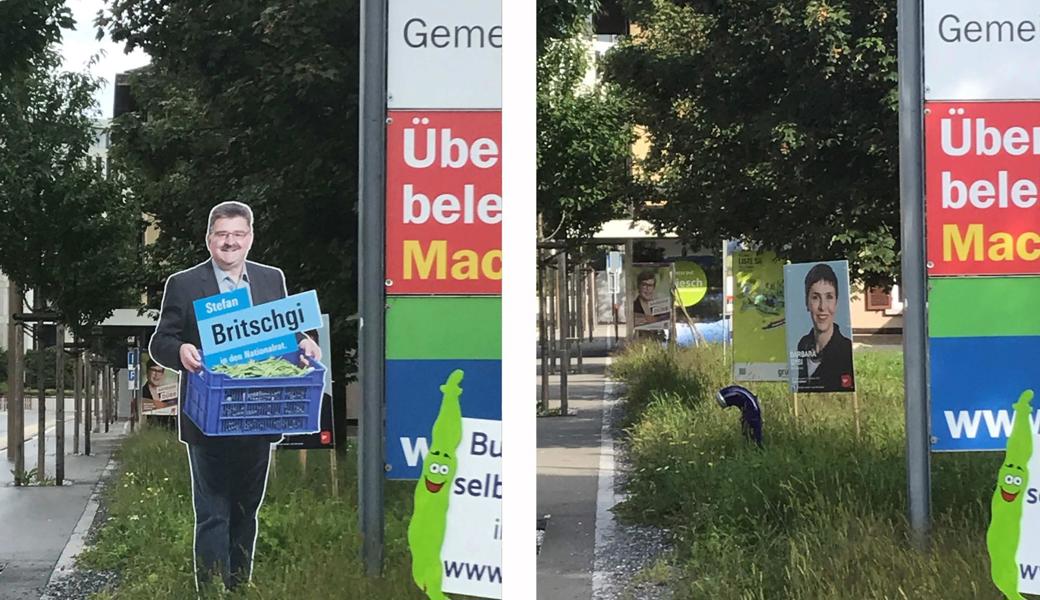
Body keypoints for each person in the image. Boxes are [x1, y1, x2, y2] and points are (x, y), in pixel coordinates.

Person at [149, 201, 321, 591]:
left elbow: (284, 334)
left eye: (238, 235)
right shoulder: (185, 283)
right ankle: (210, 592)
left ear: (251, 238)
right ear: (209, 239)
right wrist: (180, 352)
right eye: (222, 234)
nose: (230, 242)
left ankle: (239, 587)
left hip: (257, 416)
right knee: (213, 513)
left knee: (247, 511)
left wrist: (305, 341)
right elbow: (162, 340)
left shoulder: (270, 279)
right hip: (207, 417)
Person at [794, 263, 854, 392]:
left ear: (836, 302)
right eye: (815, 297)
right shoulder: (802, 344)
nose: (822, 307)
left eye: (829, 297)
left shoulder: (845, 349)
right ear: (807, 302)